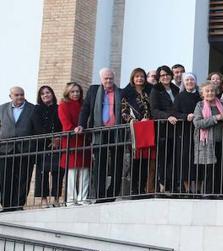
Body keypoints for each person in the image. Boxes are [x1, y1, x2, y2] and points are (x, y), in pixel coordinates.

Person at [79, 68, 125, 202]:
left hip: (116, 131)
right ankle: (100, 195)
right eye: (106, 78)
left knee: (117, 163)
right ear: (101, 79)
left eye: (111, 78)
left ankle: (112, 194)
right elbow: (85, 108)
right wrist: (81, 124)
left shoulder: (120, 92)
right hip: (100, 131)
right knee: (100, 164)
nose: (109, 81)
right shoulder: (93, 90)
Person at [0, 86, 35, 211]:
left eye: (22, 94)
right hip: (5, 149)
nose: (20, 97)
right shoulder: (2, 109)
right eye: (17, 95)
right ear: (11, 96)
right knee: (4, 178)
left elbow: (36, 129)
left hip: (25, 149)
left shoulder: (32, 109)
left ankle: (18, 204)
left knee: (23, 178)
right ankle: (6, 205)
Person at [121, 67, 153, 196]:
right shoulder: (126, 93)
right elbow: (123, 112)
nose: (140, 79)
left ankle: (142, 188)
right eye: (137, 76)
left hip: (147, 128)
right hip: (134, 130)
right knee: (135, 160)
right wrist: (132, 120)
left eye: (142, 76)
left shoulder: (149, 92)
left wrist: (148, 118)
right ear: (133, 78)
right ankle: (134, 190)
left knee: (145, 160)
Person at [58, 82, 90, 206]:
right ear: (68, 92)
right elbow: (65, 123)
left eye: (77, 91)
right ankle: (71, 200)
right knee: (72, 172)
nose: (75, 94)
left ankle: (83, 198)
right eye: (73, 91)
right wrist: (75, 129)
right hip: (71, 140)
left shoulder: (83, 104)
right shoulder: (63, 105)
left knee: (84, 170)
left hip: (83, 140)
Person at [193, 82, 223, 195]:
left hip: (221, 141)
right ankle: (207, 194)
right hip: (207, 142)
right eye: (207, 91)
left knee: (219, 169)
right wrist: (215, 118)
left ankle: (218, 193)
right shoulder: (200, 105)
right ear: (202, 93)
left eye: (212, 90)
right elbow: (197, 123)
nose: (210, 93)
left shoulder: (221, 104)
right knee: (209, 170)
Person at [32, 85, 63, 207]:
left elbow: (61, 125)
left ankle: (56, 199)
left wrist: (58, 138)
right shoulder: (37, 109)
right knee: (42, 173)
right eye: (43, 93)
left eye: (48, 92)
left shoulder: (59, 108)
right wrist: (51, 138)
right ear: (40, 97)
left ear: (52, 94)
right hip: (42, 145)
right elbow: (37, 126)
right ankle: (44, 200)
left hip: (57, 145)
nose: (46, 95)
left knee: (57, 172)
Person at [150, 65, 180, 193]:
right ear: (159, 77)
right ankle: (162, 185)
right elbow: (154, 110)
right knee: (163, 158)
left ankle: (172, 185)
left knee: (174, 158)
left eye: (167, 74)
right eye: (162, 75)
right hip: (163, 129)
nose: (165, 77)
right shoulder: (155, 90)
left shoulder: (176, 89)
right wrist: (168, 116)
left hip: (177, 129)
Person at [172, 72, 202, 193]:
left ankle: (198, 190)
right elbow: (174, 112)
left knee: (199, 160)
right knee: (185, 160)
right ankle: (188, 189)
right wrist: (186, 116)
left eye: (192, 80)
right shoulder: (180, 97)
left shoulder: (200, 96)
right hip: (185, 133)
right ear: (184, 82)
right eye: (187, 80)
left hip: (200, 131)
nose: (190, 82)